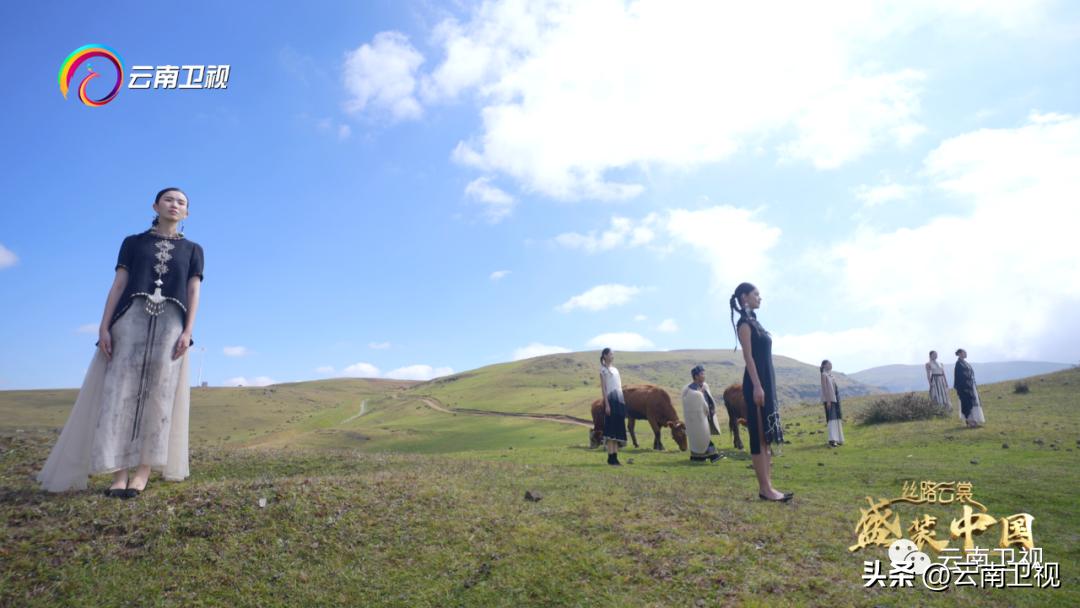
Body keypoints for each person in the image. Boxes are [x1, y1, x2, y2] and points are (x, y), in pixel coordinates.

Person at [37, 187, 204, 497]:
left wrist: (188, 330)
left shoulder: (194, 249)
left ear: (187, 213)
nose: (174, 205)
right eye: (169, 199)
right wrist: (104, 326)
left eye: (181, 202)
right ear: (155, 205)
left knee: (160, 395)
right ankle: (118, 474)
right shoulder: (133, 242)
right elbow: (118, 285)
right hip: (129, 318)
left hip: (172, 322)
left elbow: (194, 290)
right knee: (119, 392)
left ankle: (142, 473)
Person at [730, 282, 792, 502]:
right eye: (756, 294)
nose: (760, 297)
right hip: (756, 383)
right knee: (758, 436)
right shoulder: (744, 324)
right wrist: (757, 385)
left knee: (766, 435)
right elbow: (748, 358)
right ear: (745, 297)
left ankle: (769, 487)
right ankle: (764, 488)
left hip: (766, 382)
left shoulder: (756, 322)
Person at [680, 365, 722, 462]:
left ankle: (697, 457)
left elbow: (709, 399)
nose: (704, 376)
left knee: (702, 437)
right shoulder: (691, 391)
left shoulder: (704, 386)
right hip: (696, 419)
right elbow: (692, 406)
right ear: (696, 376)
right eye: (702, 374)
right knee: (702, 436)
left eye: (704, 374)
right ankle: (713, 455)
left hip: (705, 417)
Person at [599, 347, 627, 466]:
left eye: (613, 354)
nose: (612, 356)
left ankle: (615, 457)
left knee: (617, 429)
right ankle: (610, 457)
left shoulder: (615, 370)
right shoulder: (603, 371)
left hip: (619, 401)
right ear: (605, 356)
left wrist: (622, 401)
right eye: (610, 354)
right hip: (610, 401)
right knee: (611, 430)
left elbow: (619, 386)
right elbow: (604, 389)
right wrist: (607, 405)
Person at [953, 349, 985, 428]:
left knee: (973, 403)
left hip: (971, 386)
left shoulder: (966, 363)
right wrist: (962, 388)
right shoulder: (958, 364)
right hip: (964, 388)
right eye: (964, 353)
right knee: (967, 403)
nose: (966, 354)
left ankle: (974, 420)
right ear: (960, 354)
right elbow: (958, 377)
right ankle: (970, 421)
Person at [819, 360, 845, 447]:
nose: (831, 365)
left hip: (835, 399)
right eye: (829, 364)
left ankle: (838, 439)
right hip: (830, 400)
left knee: (837, 418)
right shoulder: (824, 375)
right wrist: (828, 400)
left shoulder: (831, 375)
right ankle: (832, 440)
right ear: (824, 365)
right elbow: (825, 389)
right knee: (831, 419)